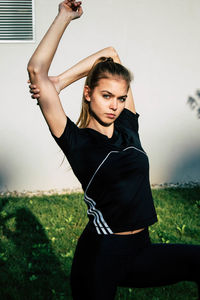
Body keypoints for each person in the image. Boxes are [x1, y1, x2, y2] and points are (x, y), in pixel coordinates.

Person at [27, 1, 200, 299]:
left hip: (140, 248)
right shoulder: (75, 141)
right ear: (88, 93)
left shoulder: (128, 127)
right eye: (106, 95)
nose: (114, 105)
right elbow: (35, 69)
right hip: (101, 256)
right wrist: (65, 16)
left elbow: (111, 54)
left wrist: (59, 80)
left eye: (120, 98)